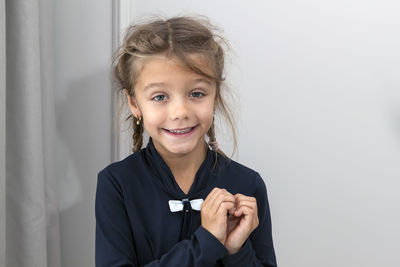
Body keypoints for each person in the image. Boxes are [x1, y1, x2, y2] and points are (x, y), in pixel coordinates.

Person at [95, 15, 277, 267]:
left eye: (196, 93)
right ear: (135, 103)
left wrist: (237, 250)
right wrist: (207, 241)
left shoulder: (248, 184)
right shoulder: (117, 184)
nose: (180, 112)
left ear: (215, 97)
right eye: (160, 97)